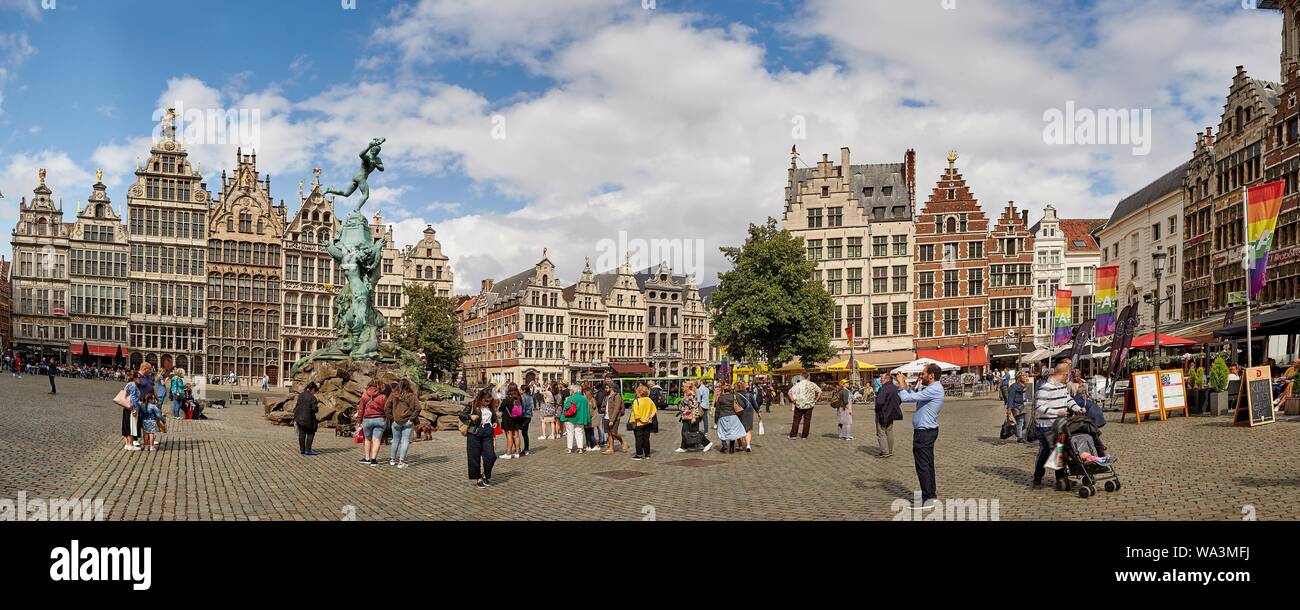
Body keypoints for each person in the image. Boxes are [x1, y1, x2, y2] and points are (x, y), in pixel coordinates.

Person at [895, 363, 946, 510]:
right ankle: (931, 495)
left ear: (931, 375)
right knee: (928, 464)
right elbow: (913, 395)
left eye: (923, 373)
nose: (921, 375)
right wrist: (904, 384)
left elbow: (906, 398)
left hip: (924, 432)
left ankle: (927, 499)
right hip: (927, 431)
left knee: (922, 465)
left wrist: (900, 384)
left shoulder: (934, 389)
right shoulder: (932, 388)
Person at [1032, 363, 1083, 489]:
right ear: (1065, 374)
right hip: (1046, 426)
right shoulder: (1045, 387)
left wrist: (1077, 408)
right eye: (1069, 374)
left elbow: (1068, 399)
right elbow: (1038, 406)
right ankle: (1041, 476)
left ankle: (1060, 479)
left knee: (1059, 450)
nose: (1069, 377)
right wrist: (1056, 412)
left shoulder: (1062, 387)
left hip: (1059, 424)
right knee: (1049, 451)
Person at [459, 389, 498, 488]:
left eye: (489, 401)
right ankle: (478, 478)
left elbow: (494, 417)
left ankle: (485, 475)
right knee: (474, 457)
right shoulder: (472, 404)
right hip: (474, 432)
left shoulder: (490, 406)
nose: (487, 403)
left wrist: (495, 422)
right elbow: (461, 415)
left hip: (488, 432)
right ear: (480, 398)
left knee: (491, 456)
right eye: (486, 401)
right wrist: (470, 416)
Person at [386, 379, 420, 468]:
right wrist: (411, 419)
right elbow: (418, 408)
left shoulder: (393, 394)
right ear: (408, 386)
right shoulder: (411, 396)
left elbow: (386, 407)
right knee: (405, 441)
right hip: (407, 421)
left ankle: (392, 460)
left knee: (395, 440)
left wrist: (392, 418)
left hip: (396, 421)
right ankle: (401, 462)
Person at [356, 380, 389, 466]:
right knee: (377, 440)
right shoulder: (383, 397)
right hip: (380, 419)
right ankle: (373, 460)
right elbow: (387, 410)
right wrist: (387, 419)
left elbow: (361, 409)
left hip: (367, 420)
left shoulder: (364, 396)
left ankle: (367, 459)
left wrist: (359, 420)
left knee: (367, 439)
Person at [675, 385, 712, 452]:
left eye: (684, 386)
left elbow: (694, 406)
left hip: (691, 417)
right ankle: (683, 447)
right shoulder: (686, 394)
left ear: (688, 387)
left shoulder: (691, 394)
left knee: (695, 432)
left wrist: (694, 417)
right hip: (686, 417)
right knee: (684, 431)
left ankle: (707, 443)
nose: (682, 387)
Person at [873, 371, 902, 458]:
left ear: (887, 379)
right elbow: (899, 400)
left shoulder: (884, 388)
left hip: (883, 413)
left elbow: (880, 402)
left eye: (881, 378)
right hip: (891, 413)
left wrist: (877, 409)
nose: (880, 380)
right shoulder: (894, 387)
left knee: (881, 432)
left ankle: (884, 451)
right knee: (889, 431)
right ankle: (889, 451)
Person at [560, 382, 591, 454]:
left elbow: (566, 408)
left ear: (573, 390)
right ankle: (580, 448)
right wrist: (588, 418)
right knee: (579, 432)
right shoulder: (584, 399)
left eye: (570, 390)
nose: (569, 391)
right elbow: (587, 410)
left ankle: (569, 448)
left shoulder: (570, 398)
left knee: (570, 432)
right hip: (580, 418)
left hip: (570, 418)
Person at [786, 375, 820, 439]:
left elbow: (789, 393)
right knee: (807, 420)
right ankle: (804, 436)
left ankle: (793, 435)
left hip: (799, 405)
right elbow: (819, 391)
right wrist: (815, 400)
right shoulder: (812, 384)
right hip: (809, 405)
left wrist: (793, 400)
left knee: (796, 420)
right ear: (808, 377)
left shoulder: (798, 384)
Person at [629, 385, 658, 460]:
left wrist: (642, 420)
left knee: (638, 439)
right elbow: (654, 410)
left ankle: (639, 454)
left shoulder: (637, 401)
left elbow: (636, 413)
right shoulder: (649, 400)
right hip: (648, 423)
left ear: (639, 392)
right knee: (646, 438)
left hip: (639, 423)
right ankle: (647, 454)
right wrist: (649, 417)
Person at [294, 382, 321, 456]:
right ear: (312, 389)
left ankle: (302, 449)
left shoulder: (301, 395)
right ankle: (308, 450)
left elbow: (297, 405)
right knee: (311, 433)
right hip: (309, 419)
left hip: (299, 418)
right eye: (315, 391)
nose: (314, 393)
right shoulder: (312, 398)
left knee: (302, 433)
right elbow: (315, 409)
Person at [498, 383, 523, 460]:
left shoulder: (507, 399)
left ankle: (508, 453)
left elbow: (500, 409)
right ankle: (517, 453)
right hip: (517, 419)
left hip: (508, 419)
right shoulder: (519, 398)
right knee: (517, 436)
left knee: (509, 437)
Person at [121, 370, 142, 451]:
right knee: (131, 426)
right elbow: (133, 398)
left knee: (126, 425)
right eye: (139, 378)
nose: (140, 379)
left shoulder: (129, 384)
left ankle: (127, 443)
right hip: (132, 408)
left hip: (127, 407)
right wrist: (134, 409)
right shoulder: (133, 385)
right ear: (135, 378)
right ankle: (130, 444)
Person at [734, 381, 758, 452]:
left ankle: (740, 445)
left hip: (739, 413)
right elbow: (755, 405)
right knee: (747, 430)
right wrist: (758, 411)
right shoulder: (749, 394)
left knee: (739, 429)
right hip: (749, 413)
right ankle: (748, 445)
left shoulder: (735, 395)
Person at [603, 382, 626, 454]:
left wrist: (612, 420)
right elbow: (604, 405)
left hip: (614, 418)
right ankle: (611, 449)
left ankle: (623, 441)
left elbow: (616, 409)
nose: (605, 389)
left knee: (614, 433)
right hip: (606, 416)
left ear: (611, 388)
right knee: (609, 433)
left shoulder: (617, 396)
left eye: (607, 388)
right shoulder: (607, 396)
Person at [1006, 371, 1030, 443]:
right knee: (1020, 421)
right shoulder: (1014, 386)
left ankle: (1017, 433)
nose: (1025, 377)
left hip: (1025, 406)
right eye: (1023, 375)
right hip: (1016, 407)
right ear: (1019, 377)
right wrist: (1009, 408)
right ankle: (1019, 438)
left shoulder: (1026, 386)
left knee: (1026, 422)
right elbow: (1010, 398)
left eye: (1026, 375)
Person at [517, 382, 535, 456]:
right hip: (529, 416)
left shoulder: (523, 397)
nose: (519, 390)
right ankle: (526, 449)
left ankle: (521, 448)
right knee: (525, 433)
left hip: (524, 416)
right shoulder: (530, 396)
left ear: (523, 390)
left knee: (518, 432)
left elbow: (523, 407)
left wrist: (520, 415)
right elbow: (532, 407)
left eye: (520, 389)